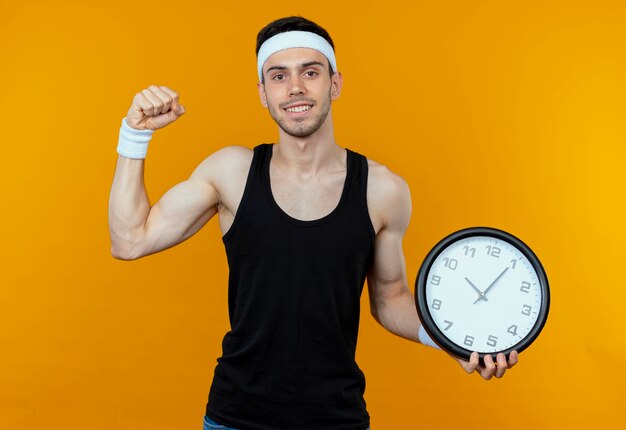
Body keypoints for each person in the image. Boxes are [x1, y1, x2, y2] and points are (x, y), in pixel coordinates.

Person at [108, 16, 518, 430]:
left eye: (310, 72)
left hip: (336, 419)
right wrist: (134, 134)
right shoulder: (230, 172)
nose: (295, 88)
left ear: (334, 83)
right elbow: (130, 240)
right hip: (235, 416)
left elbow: (390, 299)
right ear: (263, 93)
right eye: (278, 76)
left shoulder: (382, 190)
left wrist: (453, 340)